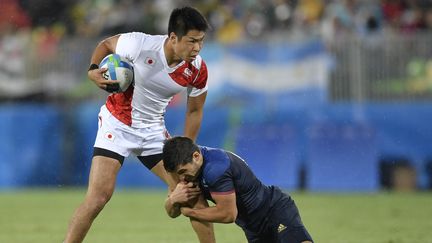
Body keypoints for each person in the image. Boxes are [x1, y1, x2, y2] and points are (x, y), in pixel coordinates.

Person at [64, 6, 215, 243]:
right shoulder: (140, 44)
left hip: (153, 132)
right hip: (116, 125)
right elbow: (106, 45)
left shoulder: (197, 69)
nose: (197, 48)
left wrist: (186, 147)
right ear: (173, 38)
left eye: (201, 41)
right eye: (192, 41)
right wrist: (93, 70)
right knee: (98, 198)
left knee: (192, 196)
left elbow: (195, 110)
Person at [163, 136, 314, 243]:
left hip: (274, 210)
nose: (181, 179)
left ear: (196, 156)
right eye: (176, 175)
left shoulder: (216, 168)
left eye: (183, 172)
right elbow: (171, 212)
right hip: (253, 228)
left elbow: (228, 214)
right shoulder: (185, 168)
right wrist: (173, 200)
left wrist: (190, 212)